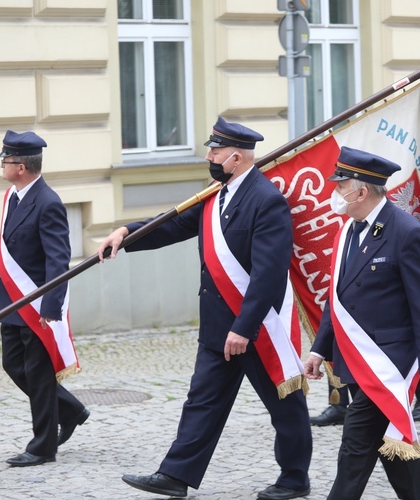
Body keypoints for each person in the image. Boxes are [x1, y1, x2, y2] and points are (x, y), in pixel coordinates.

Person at [97, 117, 312, 500]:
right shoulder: (217, 194)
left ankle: (294, 478)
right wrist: (127, 233)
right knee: (202, 401)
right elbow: (174, 225)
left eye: (214, 151)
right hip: (218, 324)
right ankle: (175, 476)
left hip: (256, 329)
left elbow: (269, 274)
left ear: (235, 157)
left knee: (285, 404)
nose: (209, 156)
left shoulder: (267, 200)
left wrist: (244, 328)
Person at [303, 146, 420, 500]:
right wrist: (319, 350)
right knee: (393, 449)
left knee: (354, 447)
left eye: (340, 186)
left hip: (390, 366)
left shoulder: (406, 232)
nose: (335, 194)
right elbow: (337, 301)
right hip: (357, 362)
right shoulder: (349, 231)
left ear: (361, 191)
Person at [0, 130, 89, 467]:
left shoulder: (47, 202)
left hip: (34, 305)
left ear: (21, 167)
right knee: (13, 364)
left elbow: (58, 259)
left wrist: (50, 306)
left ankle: (43, 446)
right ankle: (72, 410)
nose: (2, 165)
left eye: (5, 160)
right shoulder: (12, 196)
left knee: (37, 372)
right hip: (11, 300)